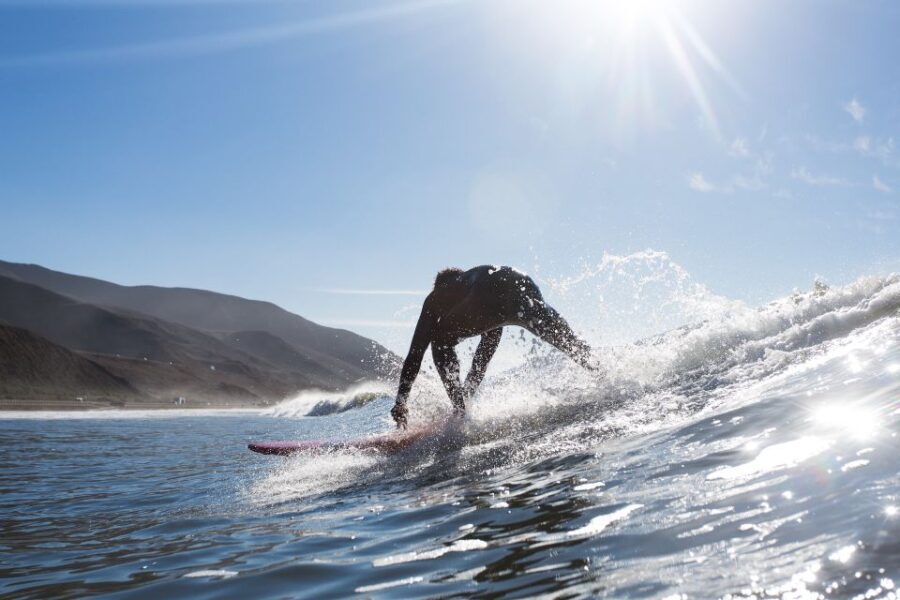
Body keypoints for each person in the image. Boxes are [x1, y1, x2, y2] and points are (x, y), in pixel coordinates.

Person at [390, 265, 594, 429]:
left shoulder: (438, 295)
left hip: (486, 293)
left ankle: (459, 414)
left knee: (439, 340)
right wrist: (467, 394)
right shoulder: (482, 303)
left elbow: (415, 354)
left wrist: (401, 401)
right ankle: (602, 373)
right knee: (571, 344)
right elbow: (481, 363)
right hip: (521, 281)